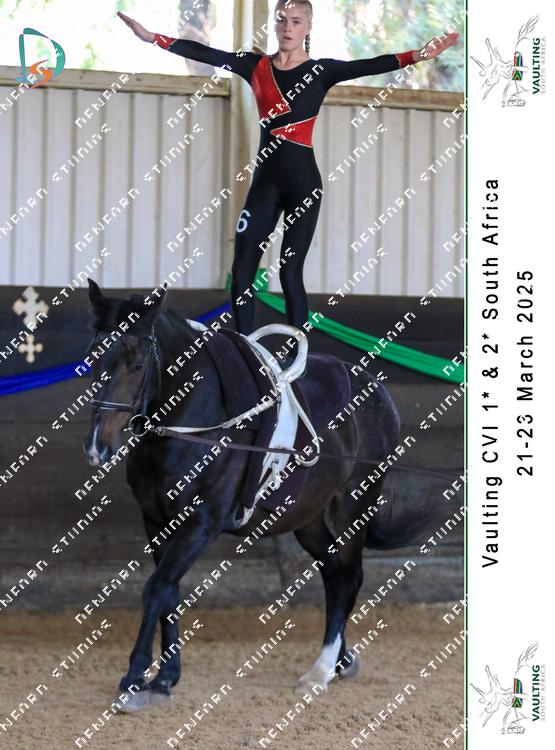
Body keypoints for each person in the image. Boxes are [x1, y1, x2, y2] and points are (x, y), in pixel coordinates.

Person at [118, 1, 457, 372]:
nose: (287, 27)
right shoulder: (256, 66)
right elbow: (207, 53)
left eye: (296, 21)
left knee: (289, 272)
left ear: (307, 26)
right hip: (265, 185)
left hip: (303, 186)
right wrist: (153, 38)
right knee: (242, 270)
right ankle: (245, 355)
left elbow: (370, 64)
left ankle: (299, 361)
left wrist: (419, 55)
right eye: (282, 20)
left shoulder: (321, 71)